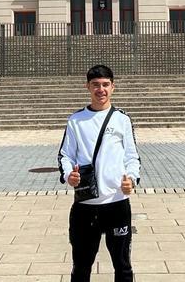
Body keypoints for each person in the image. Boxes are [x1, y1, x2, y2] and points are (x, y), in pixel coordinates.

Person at [58, 65, 141, 282]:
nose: (100, 89)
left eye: (105, 85)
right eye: (95, 85)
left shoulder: (122, 119)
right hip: (85, 205)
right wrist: (69, 175)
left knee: (122, 266)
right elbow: (65, 156)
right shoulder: (75, 120)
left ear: (113, 87)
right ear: (87, 87)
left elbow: (132, 157)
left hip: (117, 203)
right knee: (81, 267)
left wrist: (131, 179)